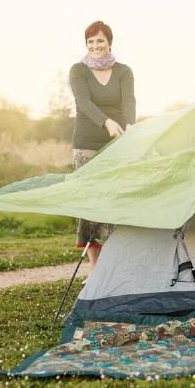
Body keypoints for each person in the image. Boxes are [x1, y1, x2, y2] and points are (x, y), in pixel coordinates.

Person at [69, 20, 136, 271]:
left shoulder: (123, 71)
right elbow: (83, 102)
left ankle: (115, 267)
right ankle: (96, 270)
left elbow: (129, 101)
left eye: (100, 40)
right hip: (87, 142)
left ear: (109, 42)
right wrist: (105, 121)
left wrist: (129, 125)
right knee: (90, 204)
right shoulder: (78, 70)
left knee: (115, 201)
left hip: (118, 143)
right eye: (91, 41)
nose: (96, 45)